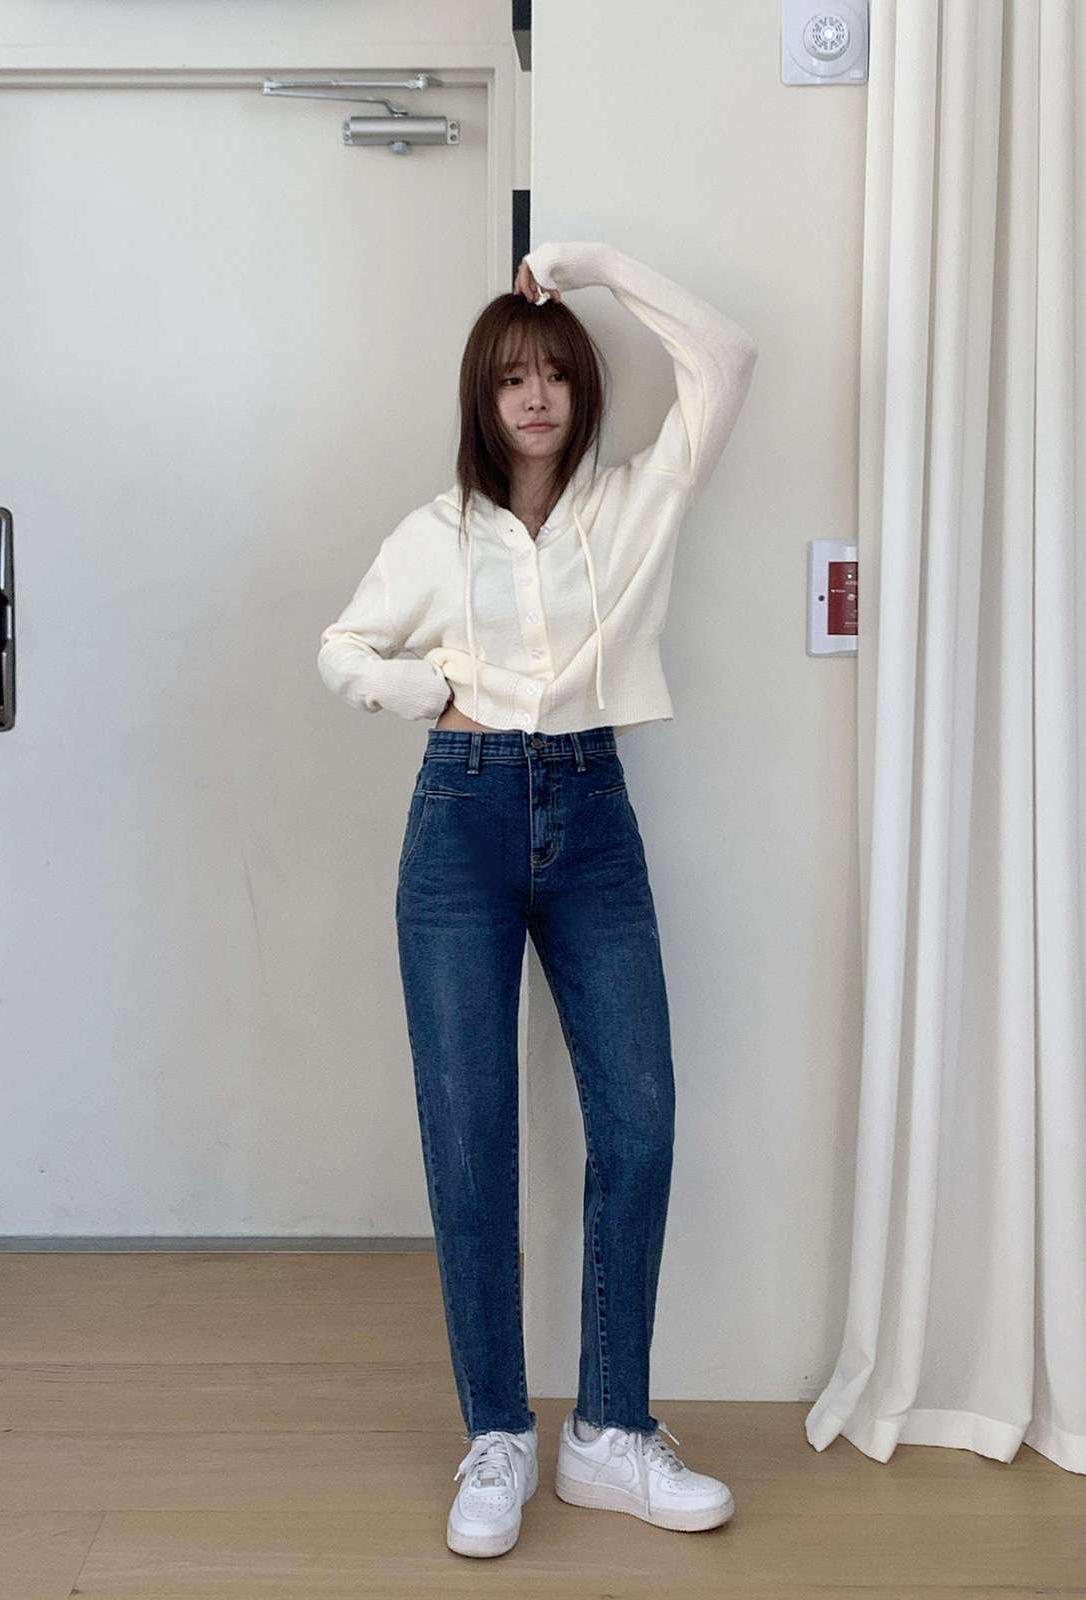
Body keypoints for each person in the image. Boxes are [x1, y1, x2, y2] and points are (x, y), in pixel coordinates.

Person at [317, 240, 757, 1557]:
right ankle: (497, 1434)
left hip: (593, 814)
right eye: (512, 375)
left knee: (641, 1124)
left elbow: (726, 357)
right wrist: (424, 693)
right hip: (458, 823)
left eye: (556, 372)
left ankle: (610, 1431)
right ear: (482, 395)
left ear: (581, 388)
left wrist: (595, 267)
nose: (536, 396)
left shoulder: (634, 505)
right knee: (471, 1140)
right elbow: (341, 647)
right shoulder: (435, 534)